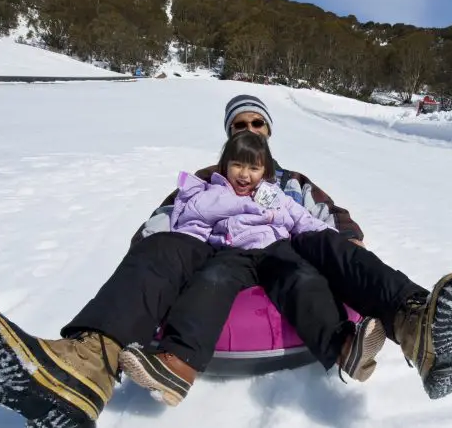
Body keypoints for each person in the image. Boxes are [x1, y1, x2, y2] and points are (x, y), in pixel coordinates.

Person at [0, 95, 374, 428]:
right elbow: (164, 220)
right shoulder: (208, 179)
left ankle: (340, 340)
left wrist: (343, 253)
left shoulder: (293, 182)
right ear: (228, 134)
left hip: (279, 257)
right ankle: (84, 366)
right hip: (217, 256)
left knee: (299, 268)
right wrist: (153, 254)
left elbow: (330, 220)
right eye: (240, 125)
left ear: (269, 129)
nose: (250, 129)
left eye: (256, 123)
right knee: (169, 254)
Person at [118, 131, 386, 406]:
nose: (244, 174)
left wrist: (341, 242)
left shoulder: (273, 195)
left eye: (254, 168)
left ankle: (344, 347)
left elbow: (303, 220)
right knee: (211, 280)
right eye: (237, 165)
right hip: (231, 250)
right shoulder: (213, 192)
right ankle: (178, 363)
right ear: (225, 166)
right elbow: (189, 222)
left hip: (276, 248)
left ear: (265, 171)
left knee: (303, 279)